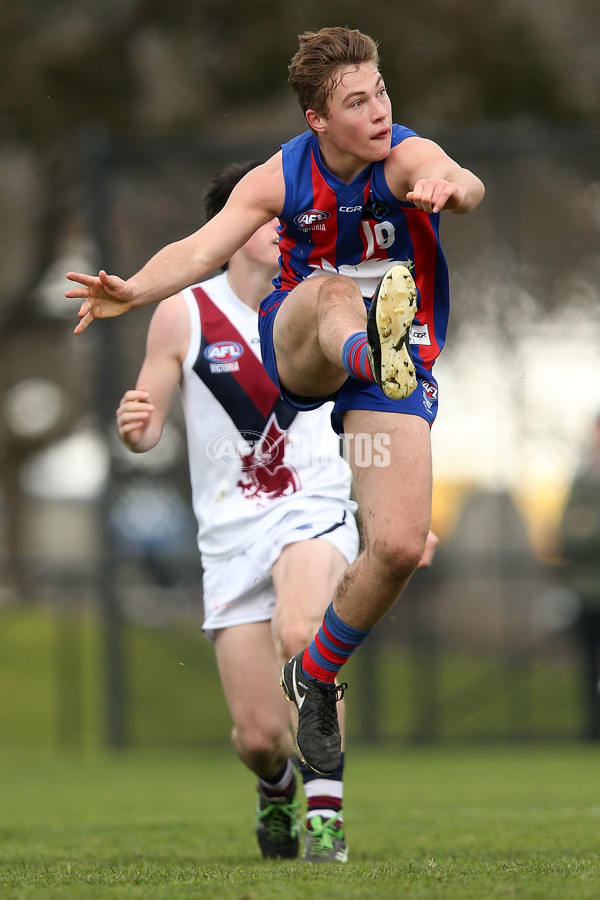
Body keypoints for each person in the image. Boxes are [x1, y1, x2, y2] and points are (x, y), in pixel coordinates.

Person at [66, 26, 483, 778]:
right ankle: (369, 351)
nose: (379, 110)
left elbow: (459, 175)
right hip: (303, 340)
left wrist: (454, 189)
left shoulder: (405, 157)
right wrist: (131, 289)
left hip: (396, 372)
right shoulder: (281, 177)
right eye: (356, 102)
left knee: (394, 545)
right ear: (317, 120)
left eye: (381, 91)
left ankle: (315, 676)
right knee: (329, 289)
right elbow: (198, 251)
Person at [115, 160, 363, 863]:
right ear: (229, 233)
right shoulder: (183, 314)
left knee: (302, 628)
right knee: (257, 737)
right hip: (228, 537)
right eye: (264, 219)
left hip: (311, 511)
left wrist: (404, 515)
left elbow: (373, 413)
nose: (281, 229)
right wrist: (136, 426)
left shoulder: (321, 301)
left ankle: (324, 812)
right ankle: (279, 787)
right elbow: (148, 426)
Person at [558, 414, 600, 740]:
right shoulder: (583, 478)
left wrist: (587, 524)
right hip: (588, 594)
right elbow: (564, 533)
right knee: (589, 666)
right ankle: (593, 730)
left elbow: (582, 528)